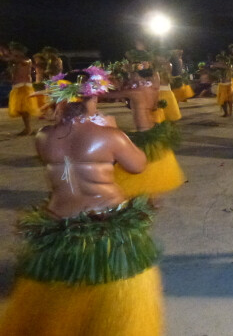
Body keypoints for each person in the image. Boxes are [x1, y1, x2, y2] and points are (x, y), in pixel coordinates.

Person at [0, 67, 163, 335]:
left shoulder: (43, 136)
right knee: (110, 297)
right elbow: (138, 165)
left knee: (65, 296)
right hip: (106, 220)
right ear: (93, 97)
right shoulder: (109, 135)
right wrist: (112, 130)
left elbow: (67, 161)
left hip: (58, 224)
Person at [105, 67, 185, 198]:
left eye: (132, 75)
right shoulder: (153, 88)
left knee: (142, 166)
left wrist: (87, 90)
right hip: (153, 126)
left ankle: (150, 199)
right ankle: (153, 198)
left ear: (138, 76)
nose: (130, 77)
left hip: (144, 130)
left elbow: (108, 95)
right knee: (151, 167)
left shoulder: (135, 92)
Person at [2, 41, 41, 135]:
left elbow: (10, 59)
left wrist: (5, 53)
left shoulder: (26, 60)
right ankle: (28, 128)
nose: (12, 52)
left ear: (19, 51)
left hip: (23, 87)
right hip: (18, 86)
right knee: (23, 111)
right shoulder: (15, 62)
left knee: (25, 110)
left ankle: (28, 129)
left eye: (13, 50)